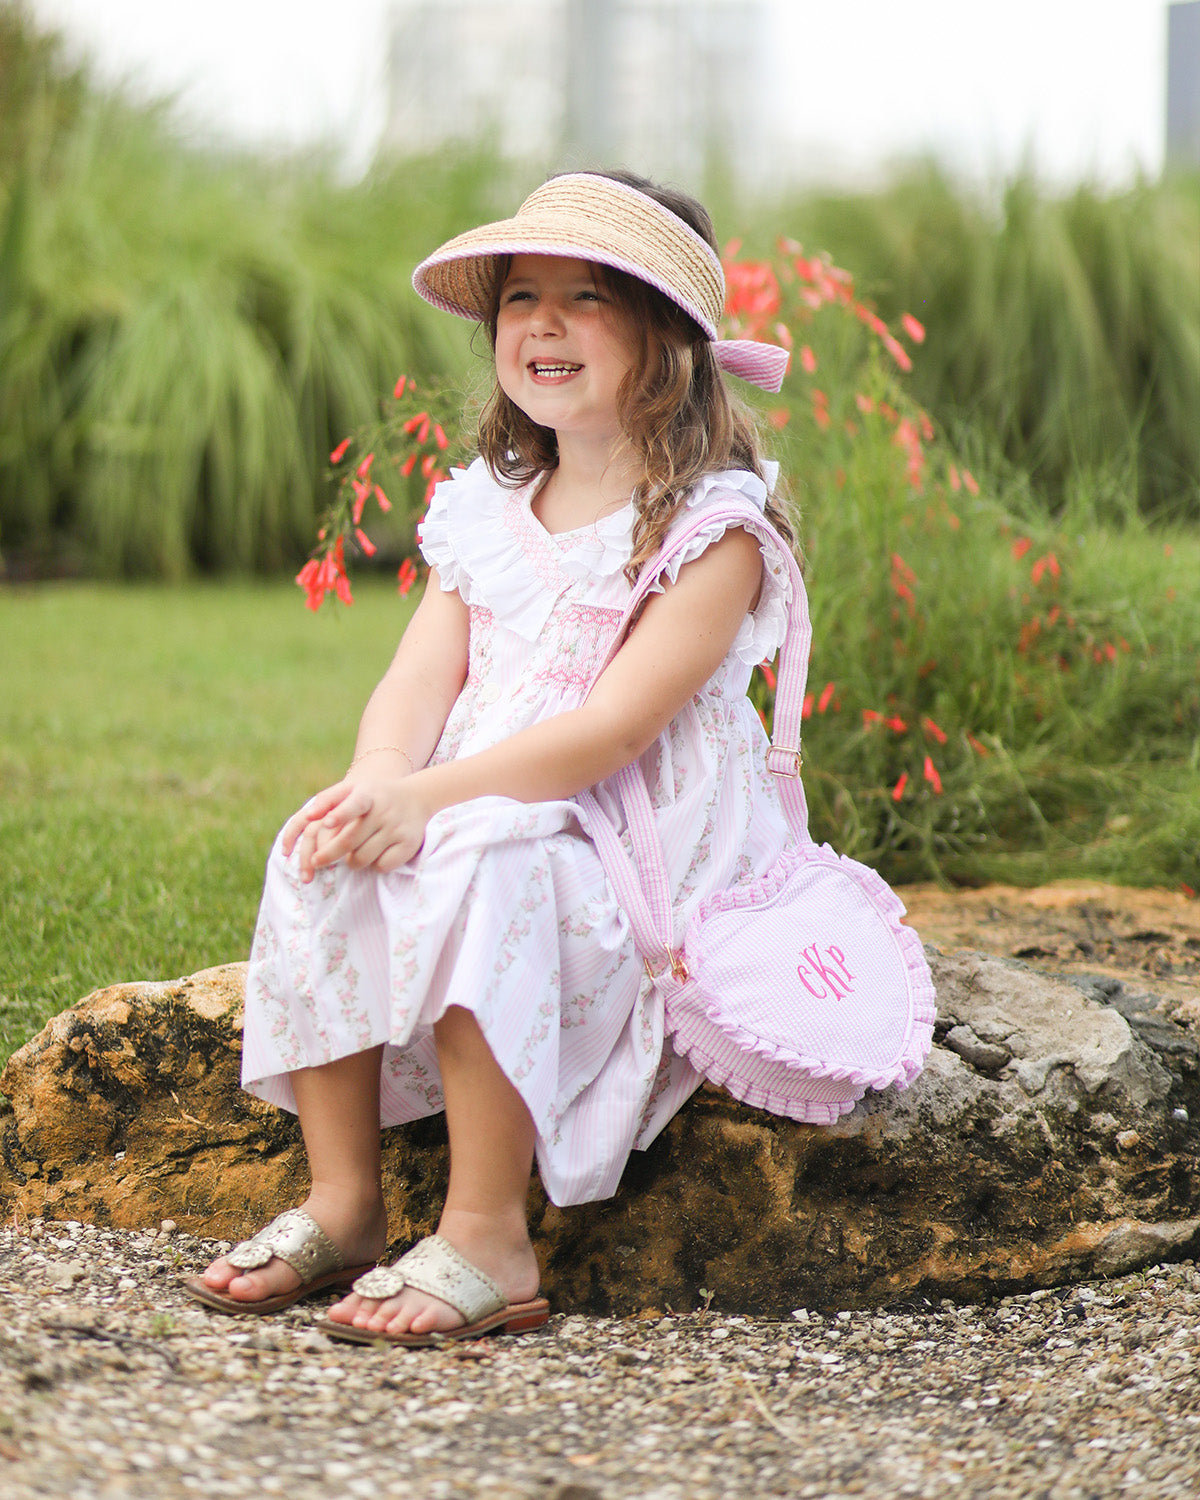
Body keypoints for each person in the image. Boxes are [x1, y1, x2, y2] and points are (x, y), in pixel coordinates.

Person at [186, 169, 797, 1346]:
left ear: (669, 337)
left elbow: (613, 732)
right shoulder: (489, 505)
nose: (543, 324)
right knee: (320, 846)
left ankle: (488, 1232)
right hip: (480, 796)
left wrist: (432, 798)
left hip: (630, 832)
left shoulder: (712, 528)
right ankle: (344, 1199)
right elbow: (420, 678)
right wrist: (380, 777)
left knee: (490, 863)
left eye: (587, 297)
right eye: (522, 298)